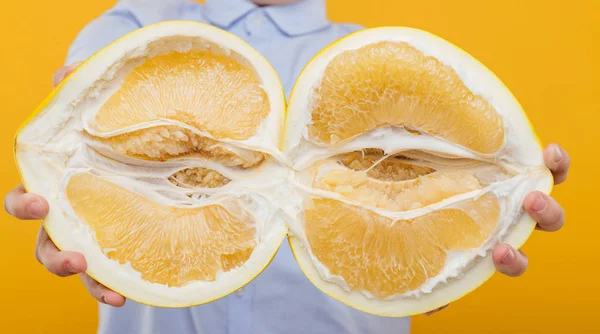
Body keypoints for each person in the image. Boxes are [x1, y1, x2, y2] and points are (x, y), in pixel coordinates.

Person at [4, 0, 570, 333]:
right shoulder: (130, 37)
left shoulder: (374, 61)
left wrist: (453, 259)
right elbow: (65, 168)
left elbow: (490, 179)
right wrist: (66, 232)